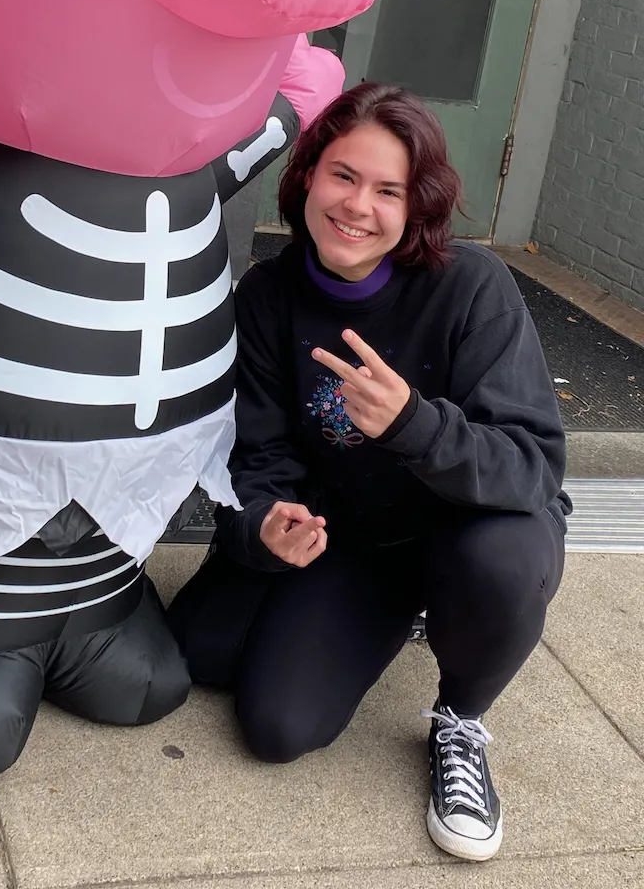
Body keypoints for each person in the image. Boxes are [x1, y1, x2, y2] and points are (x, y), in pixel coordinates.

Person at [168, 82, 569, 864]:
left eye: (389, 191)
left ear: (417, 208)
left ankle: (460, 718)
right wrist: (265, 527)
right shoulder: (268, 295)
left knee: (501, 561)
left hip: (465, 526)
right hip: (352, 540)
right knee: (240, 693)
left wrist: (413, 423)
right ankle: (402, 609)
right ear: (308, 177)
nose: (357, 206)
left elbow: (531, 465)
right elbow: (257, 453)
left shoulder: (471, 288)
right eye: (343, 176)